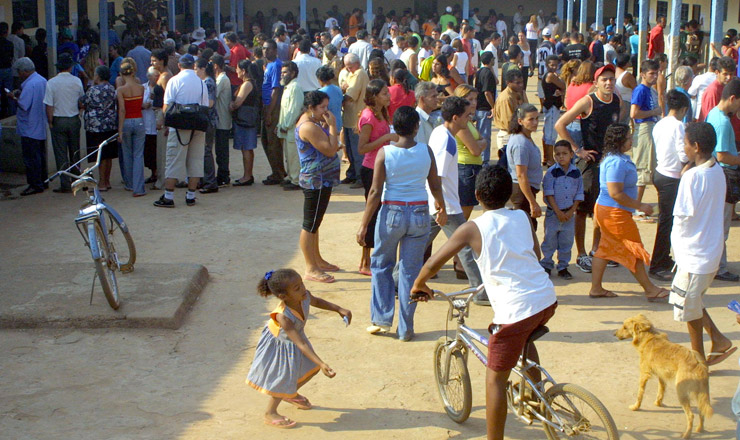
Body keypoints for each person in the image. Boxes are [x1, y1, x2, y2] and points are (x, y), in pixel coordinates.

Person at [411, 164, 557, 440]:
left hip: (515, 310)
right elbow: (533, 254)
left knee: (495, 379)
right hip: (545, 298)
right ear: (509, 194)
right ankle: (536, 396)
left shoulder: (472, 228)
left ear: (477, 195)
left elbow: (433, 262)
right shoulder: (522, 217)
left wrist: (418, 285)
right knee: (525, 339)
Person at [358, 106, 446, 340]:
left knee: (381, 265)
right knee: (410, 272)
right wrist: (442, 207)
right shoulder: (425, 151)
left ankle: (381, 319)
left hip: (392, 212)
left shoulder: (385, 153)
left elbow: (375, 191)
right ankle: (406, 328)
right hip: (419, 212)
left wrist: (364, 224)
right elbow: (435, 185)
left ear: (394, 128)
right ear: (417, 127)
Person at [669, 121, 738, 367]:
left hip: (693, 255)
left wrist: (675, 249)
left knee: (688, 308)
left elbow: (682, 217)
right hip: (709, 252)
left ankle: (697, 360)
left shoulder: (692, 178)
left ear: (696, 147)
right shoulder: (717, 170)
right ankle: (718, 339)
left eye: (686, 143)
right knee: (694, 300)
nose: (683, 147)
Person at [246, 268, 350, 429]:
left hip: (297, 338)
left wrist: (338, 309)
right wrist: (323, 363)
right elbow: (300, 343)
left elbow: (317, 301)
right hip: (281, 345)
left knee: (312, 368)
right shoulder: (283, 316)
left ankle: (290, 394)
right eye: (297, 288)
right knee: (283, 379)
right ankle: (270, 412)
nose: (303, 289)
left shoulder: (304, 296)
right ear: (283, 296)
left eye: (301, 284)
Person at [589, 123, 669, 300]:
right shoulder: (616, 162)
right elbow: (615, 193)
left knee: (604, 249)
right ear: (619, 141)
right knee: (634, 249)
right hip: (614, 213)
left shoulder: (613, 158)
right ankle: (650, 289)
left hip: (607, 210)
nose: (631, 141)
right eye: (628, 138)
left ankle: (596, 288)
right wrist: (640, 206)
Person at [554, 64, 621, 274]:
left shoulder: (617, 101)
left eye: (611, 79)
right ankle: (581, 253)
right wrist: (577, 150)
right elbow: (560, 124)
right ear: (596, 82)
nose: (609, 83)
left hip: (609, 163)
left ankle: (597, 250)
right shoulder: (588, 101)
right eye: (604, 79)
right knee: (583, 210)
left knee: (602, 210)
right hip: (590, 163)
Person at [425, 96, 487, 303]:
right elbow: (438, 176)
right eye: (466, 116)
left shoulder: (439, 133)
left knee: (419, 244)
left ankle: (398, 280)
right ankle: (480, 293)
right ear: (455, 117)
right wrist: (441, 207)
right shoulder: (447, 140)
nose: (469, 120)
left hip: (440, 203)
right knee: (467, 247)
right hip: (446, 206)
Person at [295, 91, 342, 282]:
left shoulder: (313, 123)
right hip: (316, 180)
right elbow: (331, 149)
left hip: (321, 179)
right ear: (311, 108)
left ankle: (317, 260)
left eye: (326, 107)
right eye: (322, 107)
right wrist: (332, 127)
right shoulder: (308, 126)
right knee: (310, 225)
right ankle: (311, 268)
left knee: (315, 222)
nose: (325, 111)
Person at [153, 54, 209, 208]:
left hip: (179, 125)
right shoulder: (201, 82)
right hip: (198, 125)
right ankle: (191, 195)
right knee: (196, 160)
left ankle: (169, 196)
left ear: (179, 65)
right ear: (193, 66)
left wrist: (165, 123)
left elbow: (167, 106)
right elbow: (205, 105)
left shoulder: (174, 80)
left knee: (174, 159)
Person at [356, 80, 398, 276]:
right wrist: (385, 139)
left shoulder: (382, 113)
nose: (388, 97)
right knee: (372, 213)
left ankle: (371, 258)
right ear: (374, 97)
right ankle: (364, 261)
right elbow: (362, 148)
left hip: (382, 167)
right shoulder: (368, 117)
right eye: (384, 94)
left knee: (378, 214)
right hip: (371, 169)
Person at [649, 90, 690, 281]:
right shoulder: (679, 126)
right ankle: (658, 263)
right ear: (683, 109)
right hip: (672, 177)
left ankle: (663, 258)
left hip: (660, 173)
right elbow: (683, 155)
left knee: (667, 221)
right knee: (667, 223)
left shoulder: (660, 123)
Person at [706, 77, 740, 282]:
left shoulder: (713, 114)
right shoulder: (724, 123)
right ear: (733, 98)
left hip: (718, 174)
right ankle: (720, 267)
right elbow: (723, 156)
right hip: (726, 175)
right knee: (723, 225)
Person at [541, 141, 584, 279]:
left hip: (569, 214)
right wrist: (558, 211)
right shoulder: (551, 172)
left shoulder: (576, 172)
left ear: (571, 154)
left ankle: (563, 267)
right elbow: (549, 193)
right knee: (550, 240)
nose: (561, 157)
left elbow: (579, 193)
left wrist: (571, 211)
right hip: (554, 213)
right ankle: (547, 265)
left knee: (566, 241)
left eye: (565, 154)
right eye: (557, 154)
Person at [44, 53, 84, 193]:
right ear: (70, 66)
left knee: (61, 154)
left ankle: (65, 183)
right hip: (73, 119)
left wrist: (50, 121)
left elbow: (49, 105)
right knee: (75, 151)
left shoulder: (51, 83)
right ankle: (77, 179)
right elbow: (81, 101)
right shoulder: (77, 81)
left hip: (58, 119)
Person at [11, 58, 47, 196]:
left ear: (25, 71)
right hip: (39, 124)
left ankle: (35, 184)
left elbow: (24, 104)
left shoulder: (30, 84)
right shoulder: (42, 80)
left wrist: (13, 97)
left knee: (31, 158)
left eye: (19, 72)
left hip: (29, 126)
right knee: (40, 156)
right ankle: (43, 181)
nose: (19, 75)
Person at [79, 65, 117, 192]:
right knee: (108, 154)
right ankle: (107, 180)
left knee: (100, 155)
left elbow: (82, 101)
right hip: (110, 125)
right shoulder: (112, 89)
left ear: (99, 76)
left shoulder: (93, 90)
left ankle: (101, 182)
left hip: (96, 126)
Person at [630, 59, 661, 211]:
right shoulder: (640, 90)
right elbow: (634, 113)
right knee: (642, 168)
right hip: (644, 128)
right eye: (651, 74)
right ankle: (636, 207)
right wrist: (653, 112)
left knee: (650, 166)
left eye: (656, 73)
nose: (654, 77)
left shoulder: (651, 90)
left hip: (651, 129)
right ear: (643, 74)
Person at [507, 103, 543, 230]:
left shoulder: (525, 138)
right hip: (521, 192)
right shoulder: (520, 144)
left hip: (525, 190)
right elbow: (521, 175)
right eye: (531, 119)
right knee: (526, 230)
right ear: (520, 121)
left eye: (536, 118)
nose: (535, 122)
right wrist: (532, 203)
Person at [453, 84, 486, 222]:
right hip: (466, 169)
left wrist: (480, 142)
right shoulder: (462, 123)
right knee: (462, 218)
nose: (474, 103)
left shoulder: (468, 121)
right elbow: (476, 149)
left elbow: (482, 141)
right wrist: (480, 143)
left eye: (475, 99)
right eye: (470, 99)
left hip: (471, 168)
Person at [116, 58, 146, 197]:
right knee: (138, 155)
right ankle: (139, 188)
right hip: (139, 121)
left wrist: (120, 130)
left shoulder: (121, 90)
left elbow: (122, 110)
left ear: (122, 74)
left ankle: (130, 184)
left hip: (127, 122)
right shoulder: (141, 87)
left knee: (127, 154)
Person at [230, 59, 261, 186]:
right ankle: (247, 175)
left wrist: (231, 105)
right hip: (247, 119)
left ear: (243, 71)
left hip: (245, 120)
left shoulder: (247, 84)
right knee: (246, 148)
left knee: (246, 148)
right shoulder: (250, 83)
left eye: (237, 68)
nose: (236, 71)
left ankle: (247, 176)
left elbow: (238, 103)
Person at [340, 53, 369, 186]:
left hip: (356, 117)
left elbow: (350, 95)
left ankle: (360, 177)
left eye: (350, 67)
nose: (348, 69)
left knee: (357, 150)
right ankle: (352, 173)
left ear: (357, 64)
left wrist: (340, 96)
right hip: (348, 116)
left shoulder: (359, 74)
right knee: (350, 149)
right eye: (346, 67)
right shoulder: (351, 74)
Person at [203, 54, 231, 188]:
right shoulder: (219, 79)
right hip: (220, 118)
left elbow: (213, 95)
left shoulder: (222, 79)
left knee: (222, 150)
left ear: (215, 66)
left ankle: (224, 175)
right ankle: (222, 175)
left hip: (223, 119)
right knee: (220, 149)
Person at [261, 40, 286, 185]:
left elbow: (276, 89)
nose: (265, 51)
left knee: (273, 141)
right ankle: (277, 170)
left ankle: (278, 173)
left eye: (268, 49)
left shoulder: (276, 65)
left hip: (273, 105)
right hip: (267, 104)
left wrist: (269, 112)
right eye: (264, 49)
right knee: (266, 140)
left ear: (275, 50)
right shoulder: (269, 65)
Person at [194, 56, 219, 194]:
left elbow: (210, 103)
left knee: (206, 151)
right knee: (204, 151)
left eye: (196, 68)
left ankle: (210, 182)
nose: (194, 71)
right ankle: (206, 180)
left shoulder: (208, 82)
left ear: (203, 69)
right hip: (206, 120)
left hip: (208, 121)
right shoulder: (205, 81)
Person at [277, 61, 304, 191]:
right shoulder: (288, 87)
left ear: (293, 73)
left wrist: (286, 125)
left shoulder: (295, 88)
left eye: (285, 72)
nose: (282, 75)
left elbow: (295, 110)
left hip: (292, 127)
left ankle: (296, 180)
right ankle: (291, 177)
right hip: (286, 128)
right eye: (282, 72)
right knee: (288, 154)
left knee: (293, 155)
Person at [493, 69, 526, 170]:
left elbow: (527, 109)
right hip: (507, 136)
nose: (521, 85)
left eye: (522, 82)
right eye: (518, 83)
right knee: (509, 170)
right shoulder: (506, 98)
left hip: (515, 134)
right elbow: (509, 122)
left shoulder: (517, 93)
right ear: (508, 83)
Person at [541, 55, 565, 167]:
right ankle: (550, 160)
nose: (554, 67)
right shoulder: (551, 75)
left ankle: (546, 158)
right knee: (550, 135)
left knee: (547, 134)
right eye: (551, 65)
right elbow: (563, 85)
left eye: (555, 64)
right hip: (552, 107)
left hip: (549, 106)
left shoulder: (548, 75)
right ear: (547, 65)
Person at [474, 51, 496, 163]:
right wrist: (493, 107)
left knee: (481, 134)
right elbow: (487, 92)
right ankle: (484, 160)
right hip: (484, 109)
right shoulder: (487, 73)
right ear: (490, 60)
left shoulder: (480, 72)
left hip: (479, 107)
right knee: (484, 136)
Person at [142, 67, 159, 185]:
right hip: (146, 124)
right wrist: (143, 105)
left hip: (156, 124)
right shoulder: (143, 87)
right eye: (154, 75)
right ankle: (153, 173)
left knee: (156, 151)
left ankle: (157, 173)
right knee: (148, 152)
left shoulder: (160, 88)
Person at [690, 57, 719, 121]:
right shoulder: (719, 80)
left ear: (709, 66)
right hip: (715, 114)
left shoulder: (699, 78)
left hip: (700, 113)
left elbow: (691, 93)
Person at [614, 53, 637, 124]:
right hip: (626, 103)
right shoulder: (627, 76)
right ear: (627, 63)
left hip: (615, 101)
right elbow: (636, 89)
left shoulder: (613, 72)